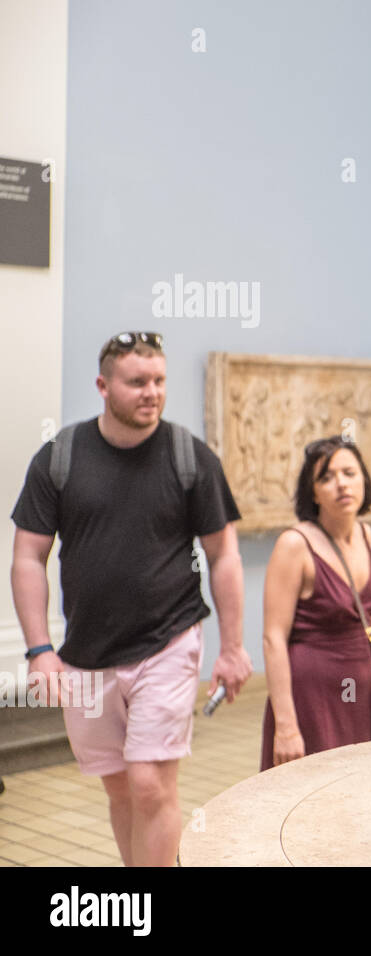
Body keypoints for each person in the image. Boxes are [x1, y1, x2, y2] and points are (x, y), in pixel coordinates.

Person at [10, 331, 252, 866]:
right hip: (86, 653)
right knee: (119, 788)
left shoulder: (190, 458)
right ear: (103, 385)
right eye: (137, 382)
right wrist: (38, 650)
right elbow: (28, 557)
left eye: (160, 381)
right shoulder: (60, 457)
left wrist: (232, 647)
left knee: (149, 784)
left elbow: (224, 556)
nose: (152, 392)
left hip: (168, 639)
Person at [260, 436, 371, 770]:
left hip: (362, 694)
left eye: (349, 472)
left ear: (363, 479)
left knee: (356, 790)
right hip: (313, 698)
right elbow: (273, 639)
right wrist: (287, 726)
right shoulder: (295, 545)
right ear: (313, 492)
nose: (341, 484)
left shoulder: (365, 534)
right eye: (326, 477)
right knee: (311, 795)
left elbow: (370, 606)